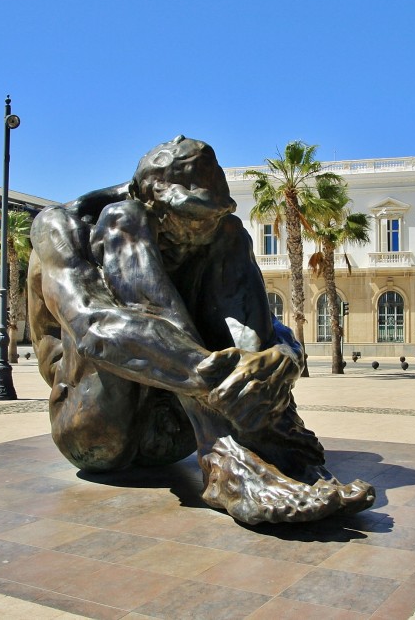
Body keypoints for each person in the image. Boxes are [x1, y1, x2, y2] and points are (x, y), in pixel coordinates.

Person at [28, 136, 373, 524]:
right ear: (148, 197)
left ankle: (276, 447)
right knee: (122, 223)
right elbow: (93, 328)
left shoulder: (219, 232)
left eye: (211, 214)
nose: (202, 228)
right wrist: (214, 378)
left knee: (232, 233)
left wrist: (279, 360)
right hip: (97, 431)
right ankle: (230, 464)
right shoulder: (63, 226)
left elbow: (264, 325)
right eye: (190, 216)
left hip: (178, 432)